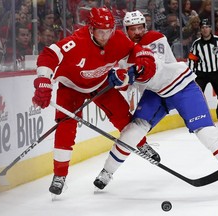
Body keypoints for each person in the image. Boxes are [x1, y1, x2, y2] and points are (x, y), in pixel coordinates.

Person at [93, 10, 218, 194]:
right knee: (132, 131)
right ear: (126, 30)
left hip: (181, 86)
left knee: (206, 132)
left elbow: (154, 65)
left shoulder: (154, 38)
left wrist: (133, 71)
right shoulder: (123, 51)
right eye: (133, 29)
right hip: (156, 92)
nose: (138, 32)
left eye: (141, 27)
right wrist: (119, 80)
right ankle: (107, 172)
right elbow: (126, 81)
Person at [32, 7, 160, 196]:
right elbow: (49, 55)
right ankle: (59, 176)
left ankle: (140, 143)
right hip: (71, 86)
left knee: (123, 116)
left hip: (101, 83)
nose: (105, 36)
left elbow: (136, 52)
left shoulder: (117, 38)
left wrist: (143, 64)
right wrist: (43, 80)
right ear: (90, 28)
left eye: (109, 31)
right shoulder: (76, 41)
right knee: (65, 127)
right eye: (101, 31)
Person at [188, 19, 218, 124]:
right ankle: (197, 117)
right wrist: (191, 75)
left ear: (211, 28)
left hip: (217, 72)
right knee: (197, 96)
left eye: (207, 27)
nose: (205, 29)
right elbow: (191, 60)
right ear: (200, 30)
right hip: (201, 74)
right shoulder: (196, 44)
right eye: (203, 27)